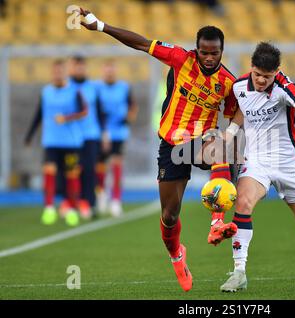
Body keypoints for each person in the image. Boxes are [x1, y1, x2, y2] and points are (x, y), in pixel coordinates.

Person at [78, 7, 238, 292]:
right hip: (172, 143)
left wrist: (231, 133)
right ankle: (177, 255)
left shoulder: (227, 81)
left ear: (222, 51)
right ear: (196, 50)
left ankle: (217, 221)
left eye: (215, 53)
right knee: (169, 215)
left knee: (221, 148)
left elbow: (236, 111)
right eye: (204, 52)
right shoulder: (180, 59)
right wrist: (101, 25)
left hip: (202, 140)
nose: (210, 58)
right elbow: (140, 42)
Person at [220, 42, 295, 292]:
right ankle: (239, 271)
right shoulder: (239, 86)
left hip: (287, 161)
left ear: (276, 72)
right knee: (243, 204)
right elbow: (242, 110)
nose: (261, 80)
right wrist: (229, 133)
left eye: (267, 77)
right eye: (257, 74)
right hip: (256, 159)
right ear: (251, 68)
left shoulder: (283, 85)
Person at [24, 59, 87, 226]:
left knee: (71, 176)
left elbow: (84, 111)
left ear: (65, 72)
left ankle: (72, 209)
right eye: (55, 71)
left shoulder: (74, 91)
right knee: (49, 172)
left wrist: (66, 118)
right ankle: (49, 208)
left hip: (71, 142)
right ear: (52, 73)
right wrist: (29, 135)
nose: (58, 74)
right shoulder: (46, 92)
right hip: (51, 141)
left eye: (60, 71)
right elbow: (39, 114)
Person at [64, 55, 107, 220]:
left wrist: (104, 134)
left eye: (82, 66)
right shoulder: (66, 88)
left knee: (90, 170)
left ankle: (90, 203)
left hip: (91, 135)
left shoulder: (92, 87)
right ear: (71, 68)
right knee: (72, 172)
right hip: (70, 137)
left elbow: (100, 111)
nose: (79, 69)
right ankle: (71, 202)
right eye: (76, 66)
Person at [96, 60, 138, 217]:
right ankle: (101, 195)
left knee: (116, 166)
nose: (109, 73)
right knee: (99, 167)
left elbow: (133, 106)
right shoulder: (97, 88)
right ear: (103, 72)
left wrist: (128, 118)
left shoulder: (124, 87)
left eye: (112, 70)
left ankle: (115, 201)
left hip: (119, 133)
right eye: (107, 70)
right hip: (101, 133)